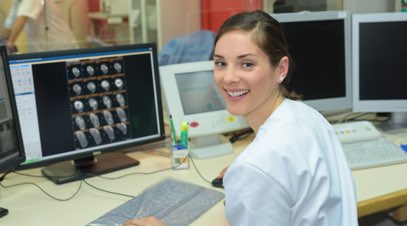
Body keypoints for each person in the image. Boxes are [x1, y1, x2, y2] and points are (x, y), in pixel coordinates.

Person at [123, 10, 358, 226]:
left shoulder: (257, 166)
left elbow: (267, 167)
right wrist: (248, 175)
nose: (229, 77)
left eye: (247, 64)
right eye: (220, 63)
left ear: (281, 69)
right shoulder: (309, 117)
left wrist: (251, 174)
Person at [2, 0, 79, 53]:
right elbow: (9, 24)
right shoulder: (18, 1)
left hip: (61, 48)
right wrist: (2, 42)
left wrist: (10, 43)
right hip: (42, 50)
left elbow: (23, 17)